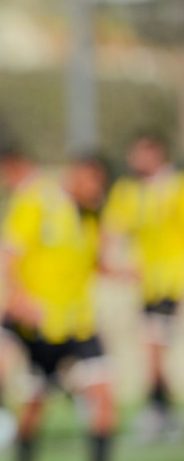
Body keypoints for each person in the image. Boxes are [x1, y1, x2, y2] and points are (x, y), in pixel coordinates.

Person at [0, 150, 116, 461]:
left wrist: (128, 271)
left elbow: (95, 263)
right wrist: (19, 298)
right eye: (94, 182)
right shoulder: (38, 202)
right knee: (34, 408)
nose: (97, 191)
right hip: (43, 326)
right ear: (78, 174)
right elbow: (10, 254)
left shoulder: (90, 216)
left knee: (104, 396)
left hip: (80, 323)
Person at [103, 132, 184, 441]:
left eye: (141, 153)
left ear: (157, 154)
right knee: (153, 351)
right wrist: (114, 267)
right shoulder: (128, 192)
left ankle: (158, 412)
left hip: (172, 281)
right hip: (148, 286)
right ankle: (164, 411)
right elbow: (111, 231)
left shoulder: (177, 188)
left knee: (153, 349)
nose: (135, 160)